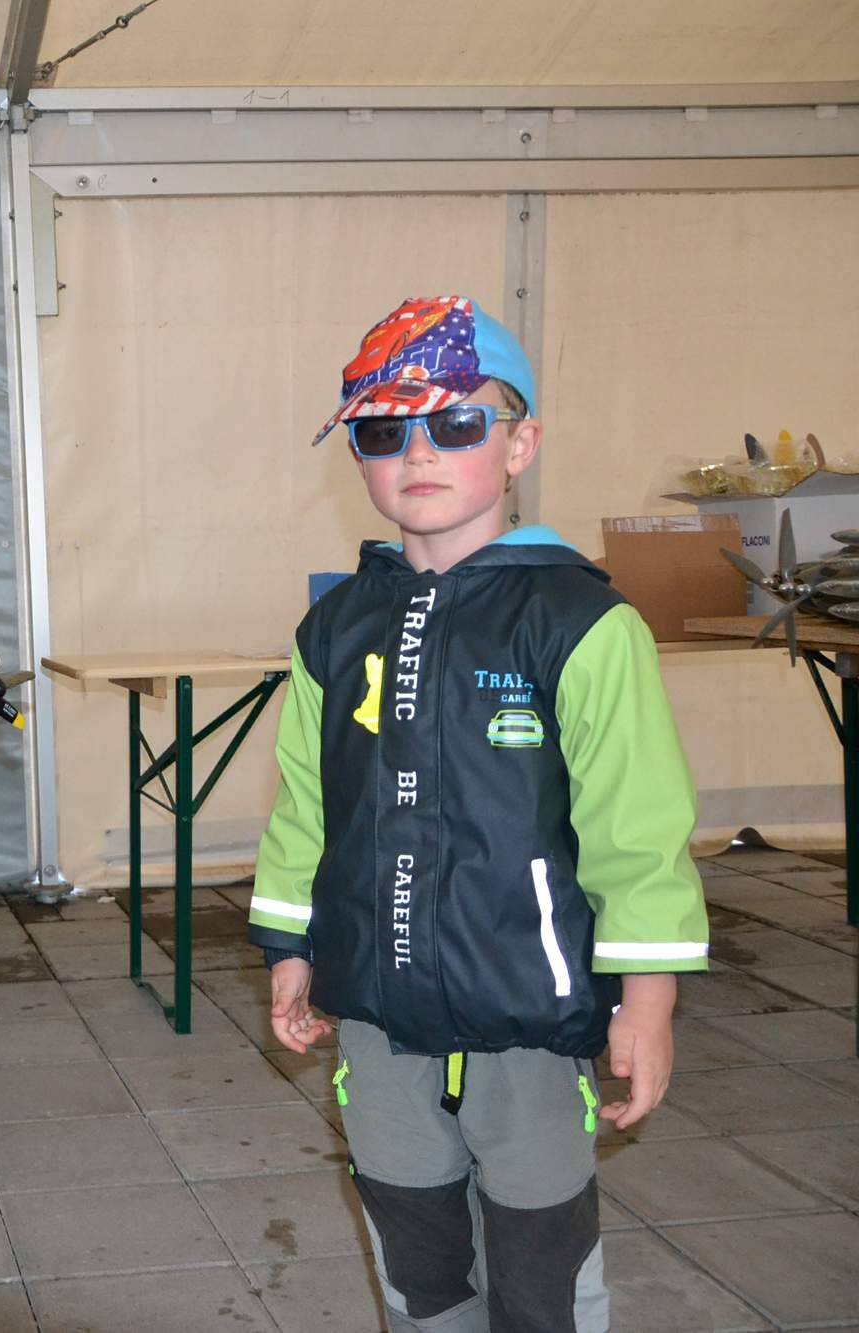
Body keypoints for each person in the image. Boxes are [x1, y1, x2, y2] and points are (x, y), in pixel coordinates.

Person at [248, 295, 709, 1332]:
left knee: (541, 1270)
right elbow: (306, 805)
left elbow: (636, 829)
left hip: (529, 1024)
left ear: (518, 445)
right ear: (358, 457)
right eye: (382, 430)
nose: (418, 450)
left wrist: (648, 1000)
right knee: (416, 1260)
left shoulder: (581, 622)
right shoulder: (333, 628)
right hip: (378, 1021)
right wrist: (291, 947)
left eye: (456, 421)